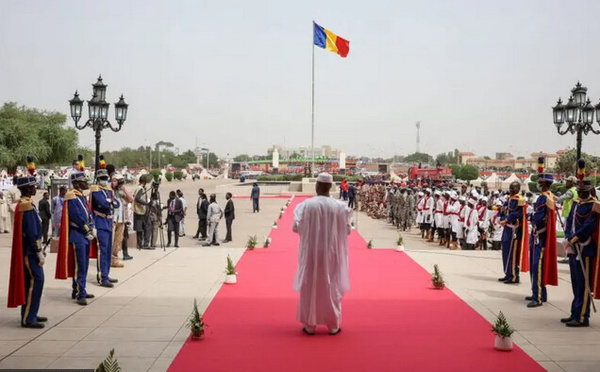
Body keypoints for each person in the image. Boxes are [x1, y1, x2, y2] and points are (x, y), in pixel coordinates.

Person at [292, 172, 351, 335]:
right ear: (331, 187)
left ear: (317, 186)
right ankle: (333, 325)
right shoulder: (340, 207)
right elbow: (347, 230)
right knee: (332, 285)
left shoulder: (305, 205)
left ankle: (310, 325)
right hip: (332, 253)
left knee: (310, 284)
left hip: (311, 253)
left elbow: (295, 227)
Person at [7, 165, 47, 328]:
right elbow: (31, 232)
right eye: (33, 186)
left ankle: (31, 312)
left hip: (31, 251)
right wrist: (38, 251)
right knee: (36, 280)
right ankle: (28, 318)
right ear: (27, 188)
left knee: (33, 282)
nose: (35, 187)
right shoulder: (26, 205)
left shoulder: (28, 203)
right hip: (30, 252)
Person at [563, 159, 600, 327]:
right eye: (579, 191)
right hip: (573, 248)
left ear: (589, 191)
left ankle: (583, 316)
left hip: (585, 248)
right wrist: (568, 237)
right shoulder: (578, 203)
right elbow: (570, 221)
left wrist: (574, 238)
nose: (580, 194)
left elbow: (589, 226)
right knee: (575, 282)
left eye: (583, 192)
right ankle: (574, 312)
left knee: (584, 284)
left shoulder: (594, 206)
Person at [56, 171, 96, 306]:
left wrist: (92, 227)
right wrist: (87, 229)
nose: (86, 183)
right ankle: (80, 293)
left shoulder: (81, 196)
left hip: (84, 235)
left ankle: (79, 289)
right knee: (80, 266)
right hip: (78, 235)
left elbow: (88, 214)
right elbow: (76, 217)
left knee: (83, 266)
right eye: (84, 181)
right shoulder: (72, 196)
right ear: (77, 183)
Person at [526, 161, 558, 308]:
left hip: (540, 237)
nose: (538, 184)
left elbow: (538, 217)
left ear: (544, 184)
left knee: (537, 266)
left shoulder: (544, 197)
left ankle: (537, 297)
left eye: (540, 182)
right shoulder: (548, 196)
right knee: (537, 266)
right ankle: (539, 293)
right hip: (538, 236)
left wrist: (531, 217)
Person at [90, 166, 120, 288]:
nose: (104, 180)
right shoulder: (96, 190)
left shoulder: (108, 190)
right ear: (97, 179)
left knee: (107, 251)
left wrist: (110, 202)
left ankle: (106, 274)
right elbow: (103, 204)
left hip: (108, 222)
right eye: (102, 178)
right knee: (102, 251)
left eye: (105, 178)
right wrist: (110, 202)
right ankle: (102, 277)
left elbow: (116, 203)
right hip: (100, 222)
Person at [498, 181, 529, 284]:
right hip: (507, 228)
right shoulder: (509, 199)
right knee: (506, 252)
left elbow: (518, 214)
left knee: (512, 253)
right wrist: (501, 218)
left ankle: (514, 276)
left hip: (514, 230)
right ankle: (507, 273)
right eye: (511, 188)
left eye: (514, 188)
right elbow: (503, 210)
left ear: (518, 189)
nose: (511, 190)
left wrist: (506, 219)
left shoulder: (520, 200)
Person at [111, 173, 134, 264]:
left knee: (118, 240)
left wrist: (124, 189)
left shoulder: (121, 192)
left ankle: (114, 259)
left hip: (121, 220)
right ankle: (107, 259)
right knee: (111, 240)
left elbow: (131, 199)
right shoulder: (109, 191)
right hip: (112, 219)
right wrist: (113, 185)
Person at [556, 176, 578, 263]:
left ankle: (569, 256)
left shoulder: (571, 191)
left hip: (569, 215)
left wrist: (549, 194)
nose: (566, 183)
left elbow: (560, 199)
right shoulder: (576, 190)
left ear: (572, 182)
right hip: (573, 215)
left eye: (568, 181)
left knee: (568, 235)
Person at [133, 175, 152, 249]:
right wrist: (146, 203)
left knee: (140, 228)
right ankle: (144, 244)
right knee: (146, 227)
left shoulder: (140, 188)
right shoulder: (140, 188)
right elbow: (137, 199)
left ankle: (140, 244)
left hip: (140, 211)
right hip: (141, 211)